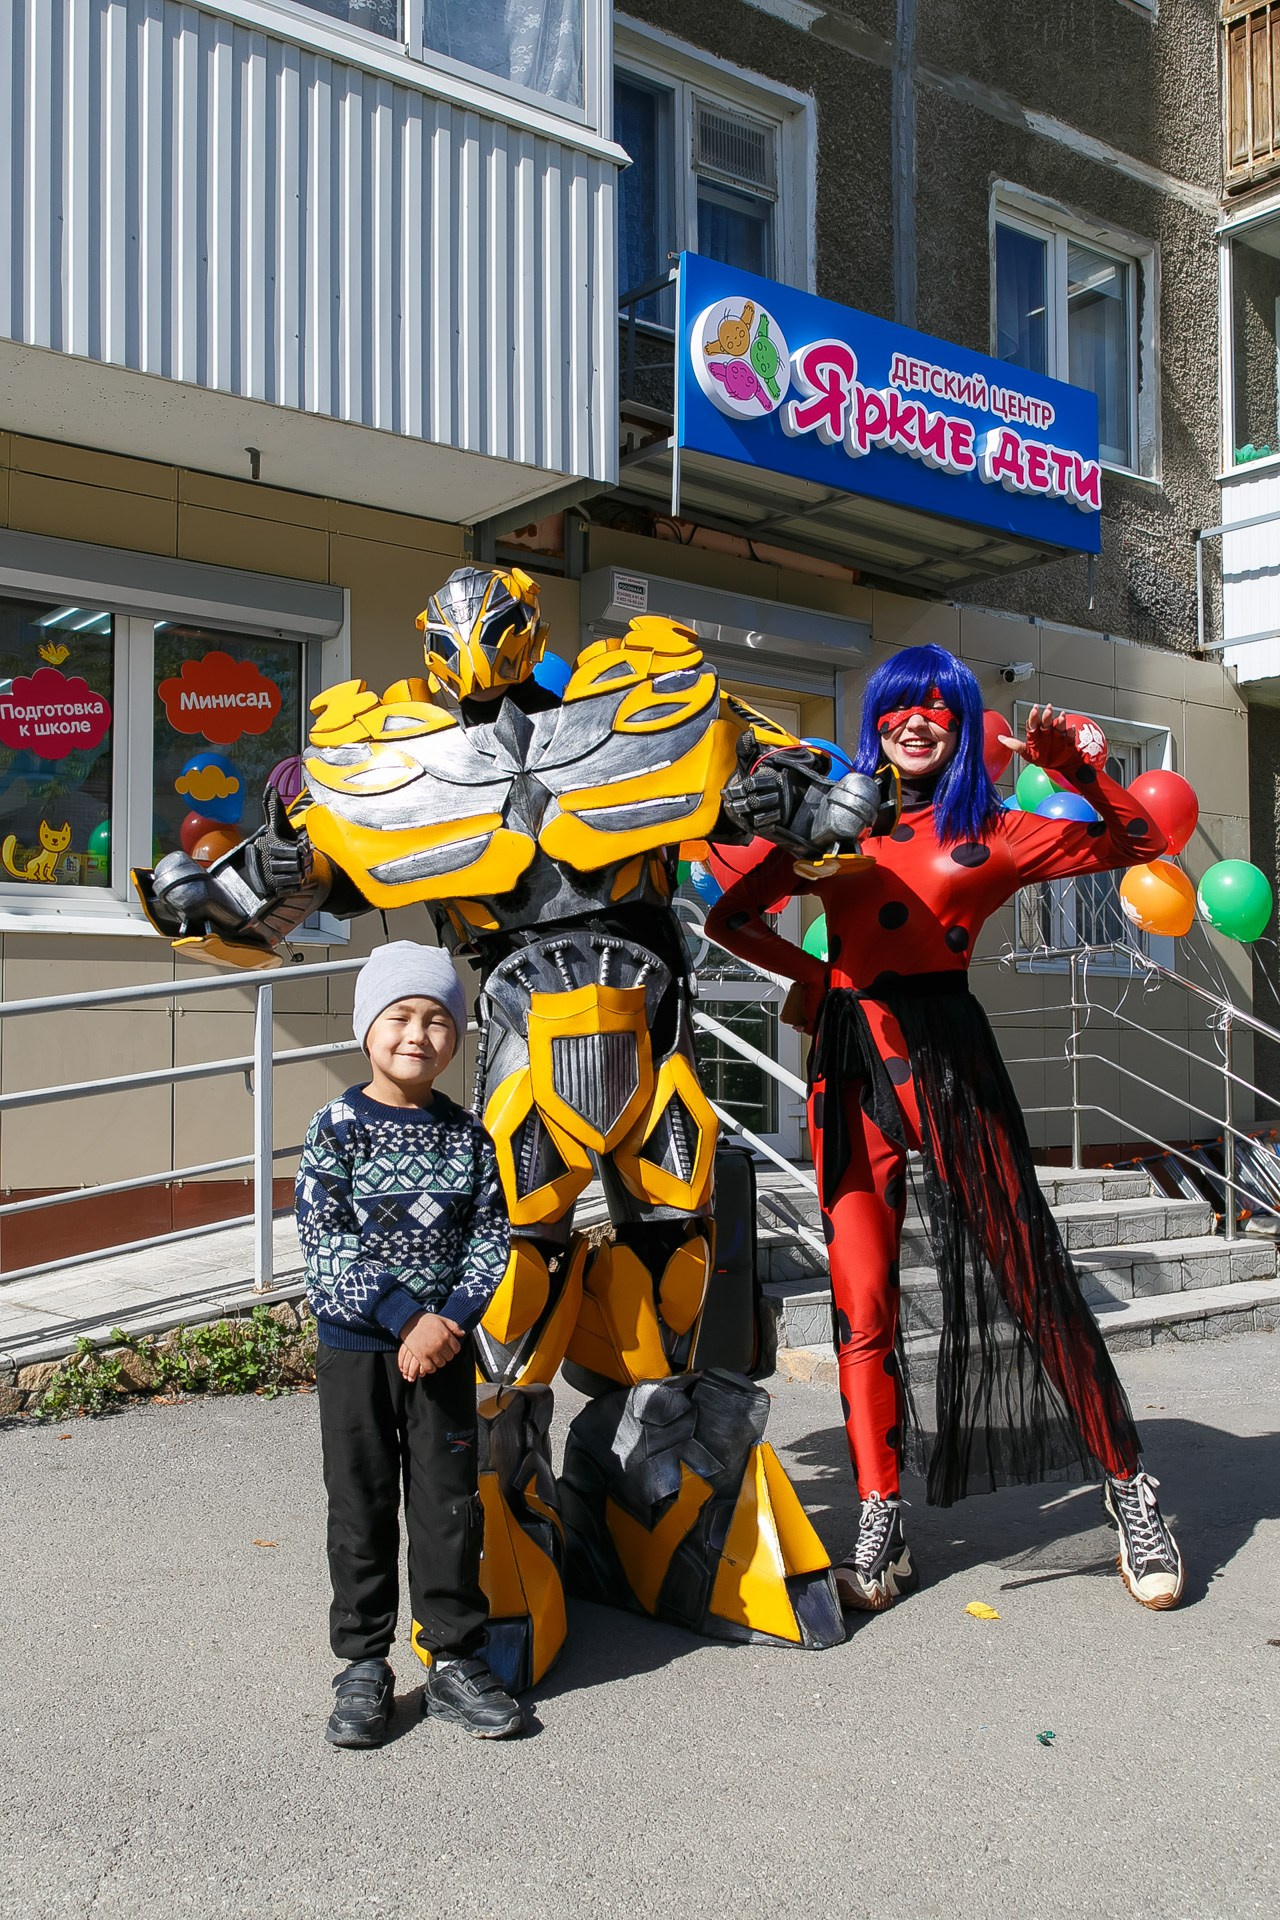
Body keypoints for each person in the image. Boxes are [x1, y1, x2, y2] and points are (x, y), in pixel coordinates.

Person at [706, 644, 1185, 1616]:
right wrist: (813, 982)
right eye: (894, 708)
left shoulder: (997, 832)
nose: (913, 722)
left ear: (962, 725)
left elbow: (1137, 844)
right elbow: (729, 918)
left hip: (947, 1061)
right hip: (848, 1065)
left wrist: (1078, 767)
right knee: (863, 1301)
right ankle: (878, 1520)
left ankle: (1129, 1485)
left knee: (1030, 1277)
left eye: (934, 708)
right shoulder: (831, 822)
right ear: (873, 722)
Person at [295, 940, 520, 1747]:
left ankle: (455, 1658)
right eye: (400, 1016)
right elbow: (324, 1243)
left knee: (447, 1507)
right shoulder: (337, 1129)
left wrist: (449, 1320)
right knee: (359, 1506)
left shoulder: (468, 1138)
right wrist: (404, 1319)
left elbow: (493, 1239)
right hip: (358, 1350)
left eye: (436, 1019)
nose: (417, 1034)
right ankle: (362, 1664)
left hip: (445, 1354)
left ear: (457, 1036)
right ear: (368, 1028)